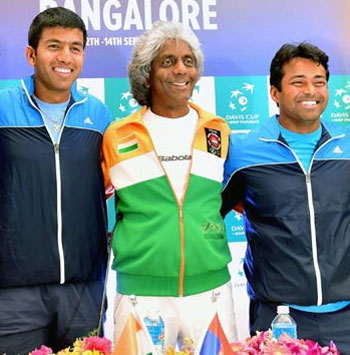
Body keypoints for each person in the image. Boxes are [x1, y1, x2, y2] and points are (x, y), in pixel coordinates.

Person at [102, 21, 237, 352]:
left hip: (212, 292)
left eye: (188, 61)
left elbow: (228, 198)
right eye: (168, 61)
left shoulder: (217, 130)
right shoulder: (118, 136)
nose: (181, 69)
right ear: (147, 73)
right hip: (141, 295)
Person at [222, 42, 350, 354]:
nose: (311, 90)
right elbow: (208, 215)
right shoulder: (242, 151)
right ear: (275, 92)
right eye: (298, 82)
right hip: (278, 318)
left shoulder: (347, 145)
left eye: (319, 82)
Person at [0, 7, 111, 354]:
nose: (65, 57)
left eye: (75, 48)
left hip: (85, 290)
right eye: (54, 46)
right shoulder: (2, 107)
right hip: (12, 293)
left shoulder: (100, 115)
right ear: (31, 54)